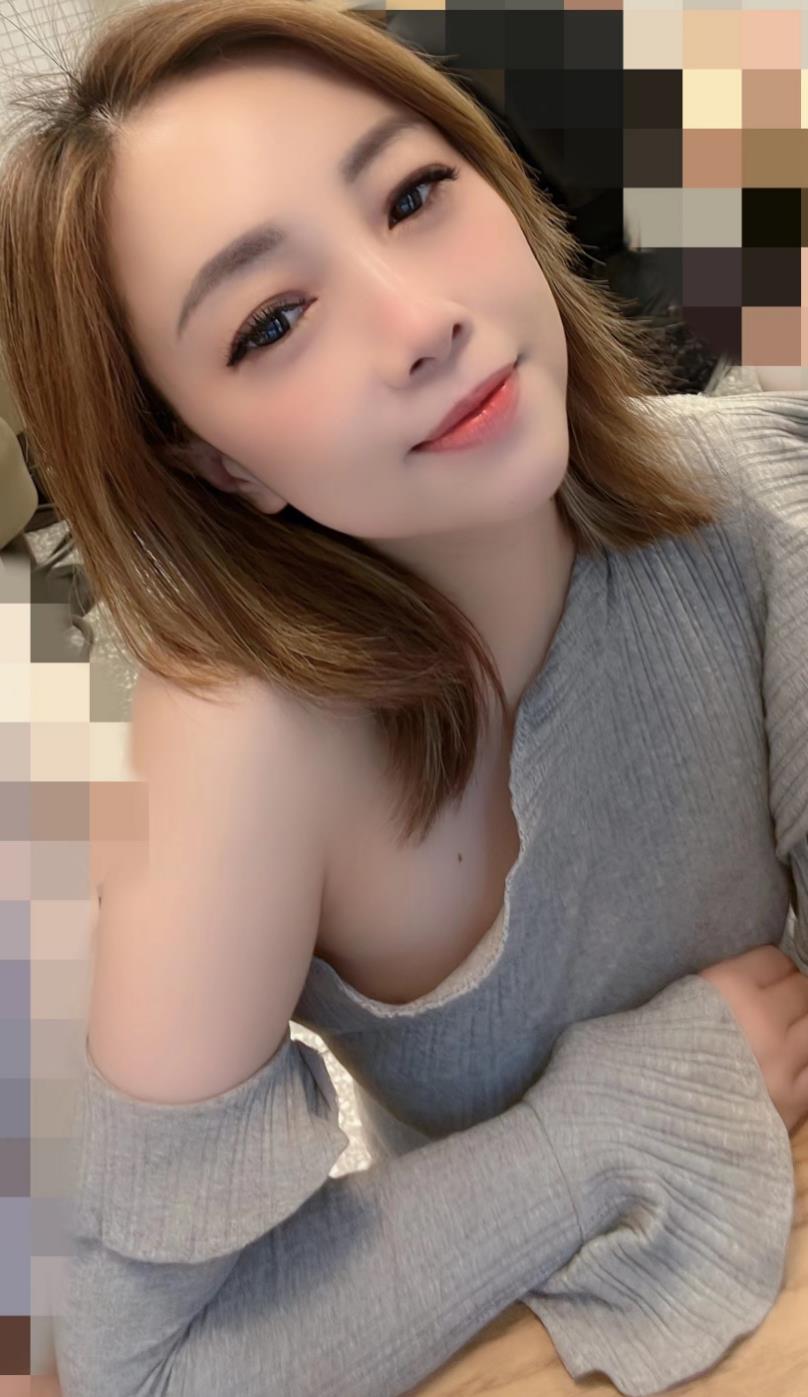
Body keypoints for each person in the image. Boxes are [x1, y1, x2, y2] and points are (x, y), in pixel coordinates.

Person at [0, 3, 805, 1394]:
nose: (423, 321)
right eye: (272, 321)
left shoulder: (742, 502)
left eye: (415, 194)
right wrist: (604, 1126)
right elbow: (142, 1364)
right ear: (211, 461)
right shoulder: (240, 755)